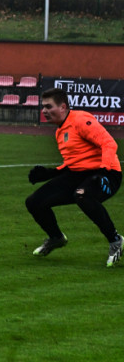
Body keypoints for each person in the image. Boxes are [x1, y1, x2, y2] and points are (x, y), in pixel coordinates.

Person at [26, 87, 123, 267]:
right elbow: (74, 162)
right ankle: (56, 238)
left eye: (49, 106)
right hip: (79, 175)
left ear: (63, 107)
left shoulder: (80, 120)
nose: (44, 111)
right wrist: (51, 172)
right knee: (34, 202)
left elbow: (109, 144)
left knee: (82, 195)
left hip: (107, 174)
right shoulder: (59, 132)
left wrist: (105, 171)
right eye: (43, 107)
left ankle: (115, 240)